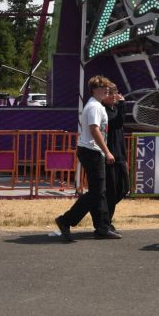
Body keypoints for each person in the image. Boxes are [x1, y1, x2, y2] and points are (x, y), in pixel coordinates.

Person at [55, 75, 120, 242]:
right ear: (93, 90)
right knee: (97, 192)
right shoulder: (94, 107)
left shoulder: (98, 105)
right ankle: (66, 220)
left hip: (92, 151)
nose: (105, 88)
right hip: (92, 151)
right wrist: (107, 152)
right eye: (101, 86)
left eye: (106, 86)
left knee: (99, 192)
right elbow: (94, 130)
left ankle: (102, 227)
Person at [102, 81, 130, 232]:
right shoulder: (104, 110)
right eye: (110, 93)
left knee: (123, 188)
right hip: (110, 154)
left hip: (120, 154)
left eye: (115, 92)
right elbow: (117, 122)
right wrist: (122, 105)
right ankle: (106, 221)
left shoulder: (114, 108)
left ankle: (105, 217)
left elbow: (120, 123)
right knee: (111, 190)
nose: (114, 96)